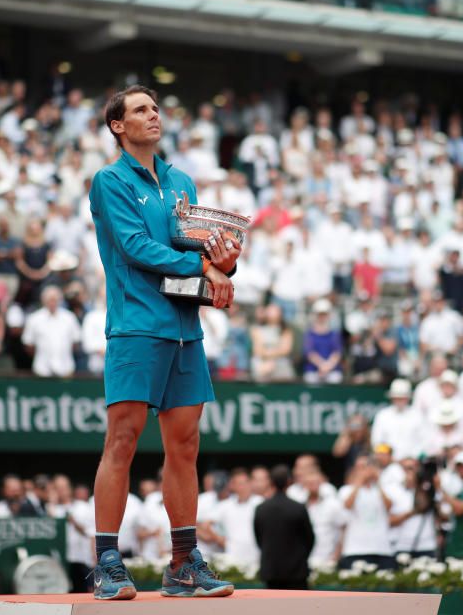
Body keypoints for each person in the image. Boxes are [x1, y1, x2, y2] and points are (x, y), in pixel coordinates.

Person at [88, 86, 238, 600]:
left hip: (184, 328)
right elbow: (133, 247)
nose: (153, 116)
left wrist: (223, 261)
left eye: (155, 108)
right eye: (139, 110)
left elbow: (187, 245)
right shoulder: (109, 180)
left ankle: (182, 564)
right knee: (122, 442)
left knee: (186, 447)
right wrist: (203, 265)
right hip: (135, 327)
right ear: (117, 126)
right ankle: (107, 561)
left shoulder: (181, 181)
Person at [254, 465, 314, 590]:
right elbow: (309, 538)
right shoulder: (299, 508)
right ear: (289, 482)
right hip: (297, 572)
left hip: (271, 571)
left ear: (271, 483)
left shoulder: (261, 509)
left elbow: (259, 538)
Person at [337, 456, 395, 570]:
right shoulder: (346, 489)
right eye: (362, 468)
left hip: (382, 549)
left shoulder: (384, 489)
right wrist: (359, 481)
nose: (366, 471)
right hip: (355, 549)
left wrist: (378, 482)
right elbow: (347, 505)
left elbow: (389, 506)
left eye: (368, 467)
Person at [22, 286, 82, 377]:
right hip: (41, 370)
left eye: (55, 300)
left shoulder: (69, 317)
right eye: (50, 300)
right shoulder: (34, 318)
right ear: (43, 301)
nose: (52, 303)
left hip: (66, 369)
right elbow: (28, 344)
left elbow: (76, 342)